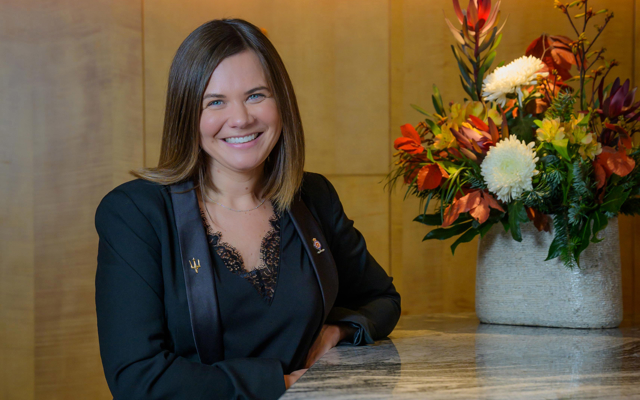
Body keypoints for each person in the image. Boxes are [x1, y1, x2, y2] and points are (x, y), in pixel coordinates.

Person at [94, 18, 401, 400]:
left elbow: (383, 300)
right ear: (187, 114)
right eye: (215, 102)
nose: (241, 118)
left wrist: (339, 331)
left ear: (282, 102)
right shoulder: (135, 214)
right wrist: (282, 384)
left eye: (256, 95)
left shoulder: (314, 196)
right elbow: (138, 379)